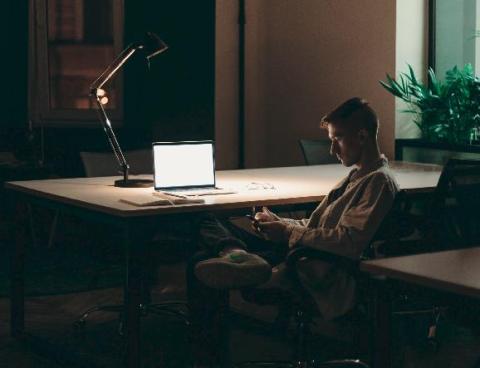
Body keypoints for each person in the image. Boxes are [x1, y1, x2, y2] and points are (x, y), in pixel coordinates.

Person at [187, 97, 399, 365]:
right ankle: (234, 251)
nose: (333, 149)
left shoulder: (379, 182)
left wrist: (287, 234)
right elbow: (316, 226)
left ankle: (207, 357)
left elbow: (348, 241)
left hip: (308, 263)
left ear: (362, 136)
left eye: (338, 139)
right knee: (202, 215)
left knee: (199, 260)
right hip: (300, 249)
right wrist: (280, 223)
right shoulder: (357, 176)